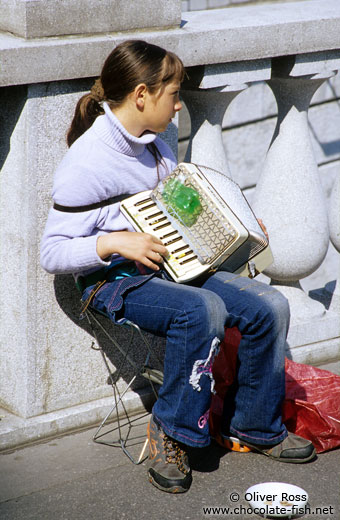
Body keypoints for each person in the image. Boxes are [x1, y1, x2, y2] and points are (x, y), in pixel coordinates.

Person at [40, 39, 315, 494]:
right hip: (112, 282)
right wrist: (114, 242)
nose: (178, 103)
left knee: (268, 304)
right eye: (173, 93)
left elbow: (181, 219)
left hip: (171, 268)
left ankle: (255, 427)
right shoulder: (86, 163)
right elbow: (52, 253)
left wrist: (237, 228)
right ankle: (174, 432)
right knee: (201, 309)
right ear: (142, 94)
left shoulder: (158, 150)